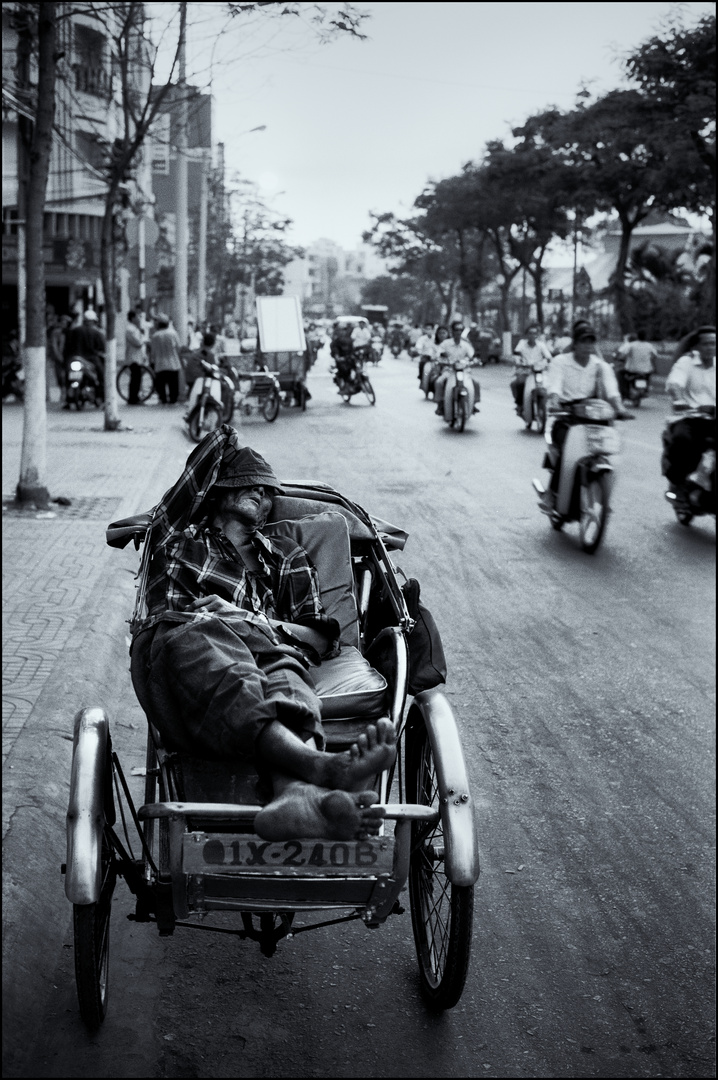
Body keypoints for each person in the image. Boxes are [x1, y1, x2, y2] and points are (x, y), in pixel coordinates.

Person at [130, 431, 395, 841]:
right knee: (213, 638)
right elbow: (198, 468)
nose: (261, 493)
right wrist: (227, 435)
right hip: (181, 641)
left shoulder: (286, 554)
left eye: (267, 490)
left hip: (264, 647)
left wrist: (252, 619)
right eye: (246, 483)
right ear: (218, 493)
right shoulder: (179, 539)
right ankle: (320, 766)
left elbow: (321, 638)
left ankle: (298, 797)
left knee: (288, 672)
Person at [540, 322, 633, 510]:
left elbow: (613, 392)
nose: (587, 345)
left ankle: (603, 494)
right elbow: (554, 386)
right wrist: (555, 402)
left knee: (610, 451)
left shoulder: (601, 366)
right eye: (583, 341)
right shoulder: (560, 362)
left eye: (591, 341)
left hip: (595, 416)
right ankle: (552, 494)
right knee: (567, 448)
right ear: (575, 343)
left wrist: (620, 409)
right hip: (567, 415)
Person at [661, 325, 716, 500]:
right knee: (683, 440)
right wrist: (679, 400)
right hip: (689, 417)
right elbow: (675, 383)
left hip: (713, 419)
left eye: (714, 344)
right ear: (697, 347)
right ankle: (677, 482)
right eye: (706, 344)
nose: (710, 348)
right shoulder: (686, 362)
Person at [433, 320, 481, 416]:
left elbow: (472, 355)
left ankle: (473, 403)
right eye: (456, 329)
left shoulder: (465, 344)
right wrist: (443, 358)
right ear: (452, 331)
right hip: (449, 371)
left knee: (476, 383)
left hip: (464, 371)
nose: (458, 332)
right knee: (439, 382)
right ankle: (440, 404)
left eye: (460, 329)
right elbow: (439, 353)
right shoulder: (446, 344)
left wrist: (475, 360)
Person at [63, 308, 106, 406]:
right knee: (101, 377)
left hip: (74, 358)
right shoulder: (96, 333)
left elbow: (67, 346)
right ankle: (102, 398)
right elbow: (102, 348)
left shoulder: (74, 331)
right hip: (91, 359)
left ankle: (67, 400)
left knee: (68, 377)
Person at [511, 324, 552, 413]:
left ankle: (545, 405)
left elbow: (548, 357)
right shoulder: (522, 344)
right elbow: (516, 355)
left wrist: (545, 363)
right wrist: (519, 362)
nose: (532, 335)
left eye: (534, 333)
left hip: (538, 372)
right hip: (525, 371)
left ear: (537, 335)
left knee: (546, 385)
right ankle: (520, 404)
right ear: (526, 335)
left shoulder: (541, 345)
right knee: (519, 383)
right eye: (530, 333)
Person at [616, 330, 657, 401]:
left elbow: (623, 355)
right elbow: (654, 355)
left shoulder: (631, 345)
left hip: (632, 370)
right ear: (646, 337)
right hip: (646, 371)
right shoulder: (649, 346)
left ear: (637, 336)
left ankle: (624, 392)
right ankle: (646, 389)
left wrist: (620, 358)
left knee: (619, 373)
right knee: (649, 375)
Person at [149, 313, 182, 404]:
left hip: (160, 364)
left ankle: (163, 399)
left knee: (161, 384)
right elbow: (179, 347)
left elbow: (153, 352)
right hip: (173, 363)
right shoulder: (173, 333)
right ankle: (173, 400)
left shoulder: (155, 335)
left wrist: (152, 360)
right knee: (173, 384)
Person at [125, 310, 146, 405]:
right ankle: (133, 398)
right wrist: (144, 340)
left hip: (137, 357)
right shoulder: (130, 329)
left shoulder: (135, 329)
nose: (139, 319)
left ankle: (135, 397)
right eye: (138, 317)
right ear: (133, 318)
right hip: (133, 358)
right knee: (135, 379)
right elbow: (138, 343)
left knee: (137, 378)